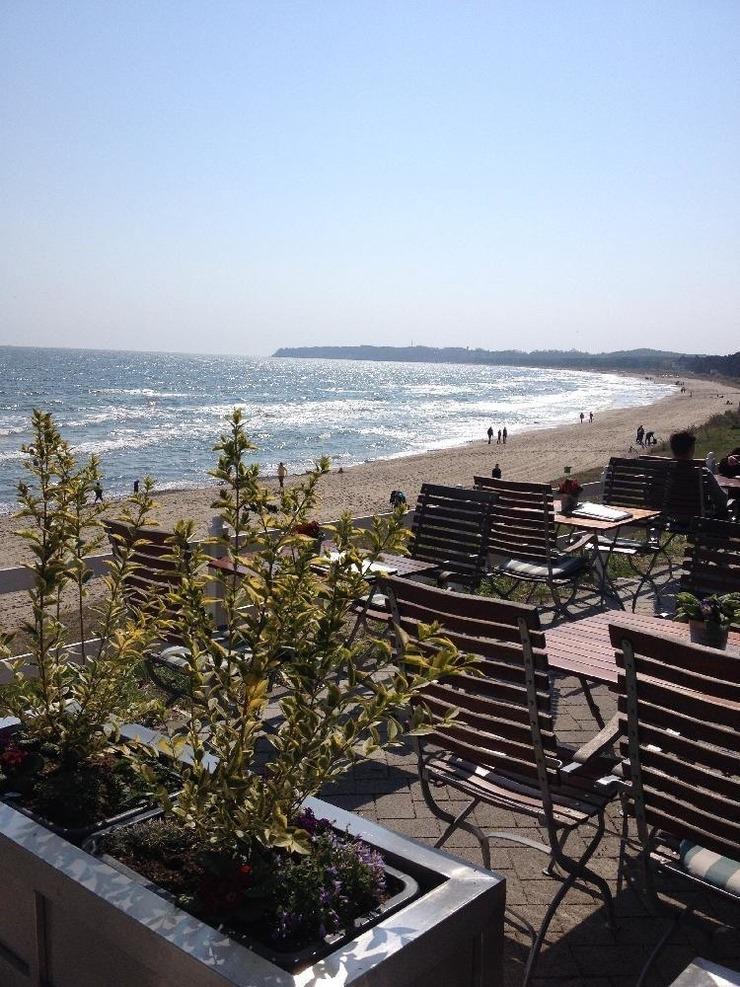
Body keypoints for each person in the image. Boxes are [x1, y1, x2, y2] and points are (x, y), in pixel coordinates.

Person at [669, 431, 727, 517]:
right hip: (698, 519)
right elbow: (721, 500)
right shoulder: (702, 472)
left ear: (673, 449)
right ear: (691, 449)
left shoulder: (664, 471)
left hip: (669, 516)